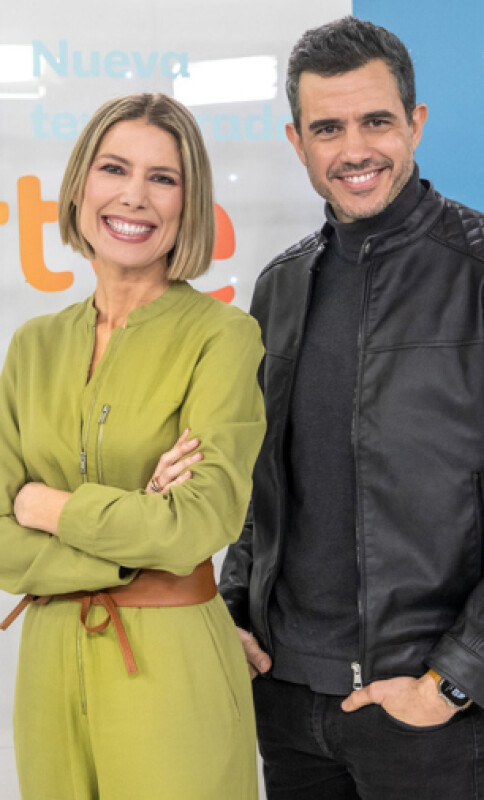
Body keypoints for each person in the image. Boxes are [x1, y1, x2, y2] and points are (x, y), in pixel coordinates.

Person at [219, 16, 484, 800]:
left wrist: (452, 681)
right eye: (327, 128)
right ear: (296, 141)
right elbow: (263, 491)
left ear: (415, 122)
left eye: (375, 121)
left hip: (427, 720)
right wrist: (233, 612)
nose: (354, 150)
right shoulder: (279, 286)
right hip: (287, 708)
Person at [0, 92, 265, 800]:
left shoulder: (222, 336)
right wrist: (135, 525)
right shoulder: (32, 346)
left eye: (163, 178)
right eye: (114, 168)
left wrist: (45, 506)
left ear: (188, 202)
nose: (134, 196)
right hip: (47, 668)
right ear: (80, 184)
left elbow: (197, 522)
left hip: (171, 664)